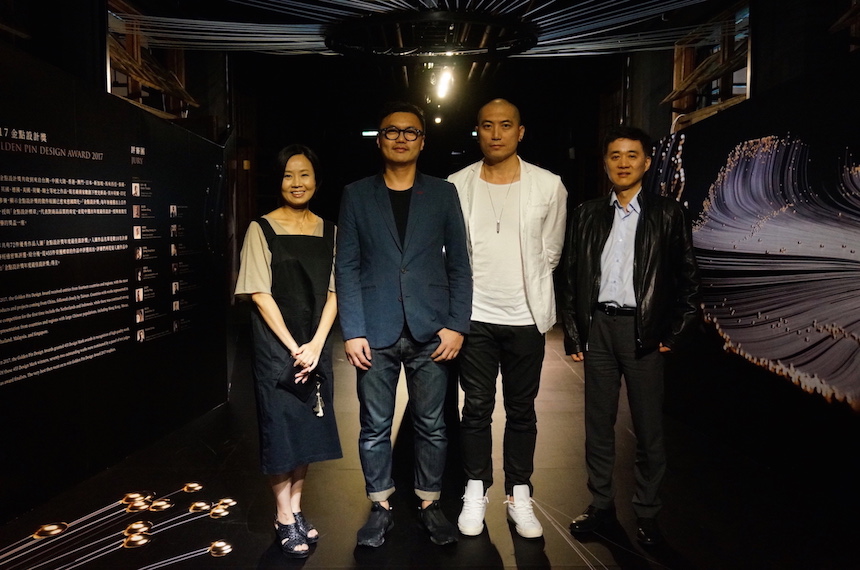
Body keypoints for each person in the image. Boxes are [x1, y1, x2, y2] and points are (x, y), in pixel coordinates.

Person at [336, 101, 472, 547]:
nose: (401, 138)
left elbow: (460, 266)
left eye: (410, 131)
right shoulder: (357, 194)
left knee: (432, 425)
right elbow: (346, 266)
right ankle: (380, 506)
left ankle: (431, 504)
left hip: (431, 330)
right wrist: (352, 330)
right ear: (379, 140)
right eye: (391, 131)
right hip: (373, 330)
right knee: (374, 426)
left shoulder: (443, 193)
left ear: (422, 141)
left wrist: (457, 325)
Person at [561, 126, 699, 546]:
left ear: (647, 162)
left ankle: (647, 513)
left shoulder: (668, 214)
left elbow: (689, 281)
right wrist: (574, 334)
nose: (623, 163)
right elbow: (570, 277)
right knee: (597, 427)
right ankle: (601, 506)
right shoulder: (586, 213)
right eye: (615, 155)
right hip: (599, 329)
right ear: (606, 163)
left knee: (648, 430)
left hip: (644, 330)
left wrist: (674, 333)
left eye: (632, 155)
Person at [447, 98, 567, 538]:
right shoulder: (456, 184)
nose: (496, 133)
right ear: (477, 131)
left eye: (505, 125)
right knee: (476, 408)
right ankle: (475, 488)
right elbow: (450, 251)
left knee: (521, 410)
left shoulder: (548, 185)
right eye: (487, 125)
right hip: (474, 316)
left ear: (521, 131)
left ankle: (519, 494)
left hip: (525, 317)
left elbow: (550, 252)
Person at [235, 144, 342, 558]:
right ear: (278, 181)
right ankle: (282, 516)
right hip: (276, 346)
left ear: (317, 180)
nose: (296, 183)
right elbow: (259, 294)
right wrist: (296, 347)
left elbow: (336, 292)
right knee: (280, 429)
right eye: (287, 175)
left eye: (304, 174)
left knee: (308, 426)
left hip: (315, 345)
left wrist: (316, 344)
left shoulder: (331, 230)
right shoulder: (260, 229)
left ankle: (296, 509)